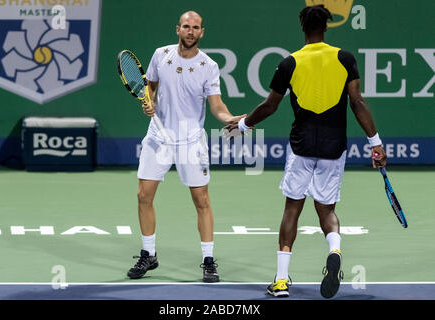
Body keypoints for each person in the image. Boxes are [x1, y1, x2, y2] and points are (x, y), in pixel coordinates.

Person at [224, 4, 387, 298]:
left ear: (303, 29)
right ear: (325, 27)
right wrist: (375, 143)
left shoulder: (289, 63)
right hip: (334, 147)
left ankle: (282, 280)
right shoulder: (345, 58)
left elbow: (270, 105)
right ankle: (335, 250)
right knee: (327, 210)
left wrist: (244, 124)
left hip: (301, 147)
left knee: (292, 209)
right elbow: (357, 102)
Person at [127, 10, 245, 283]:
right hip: (158, 136)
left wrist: (229, 119)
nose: (190, 31)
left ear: (202, 32)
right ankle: (149, 253)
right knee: (144, 195)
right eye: (186, 27)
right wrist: (149, 101)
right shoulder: (161, 55)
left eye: (195, 28)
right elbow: (150, 88)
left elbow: (216, 105)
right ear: (177, 29)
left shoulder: (209, 66)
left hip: (191, 140)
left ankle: (208, 259)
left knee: (201, 200)